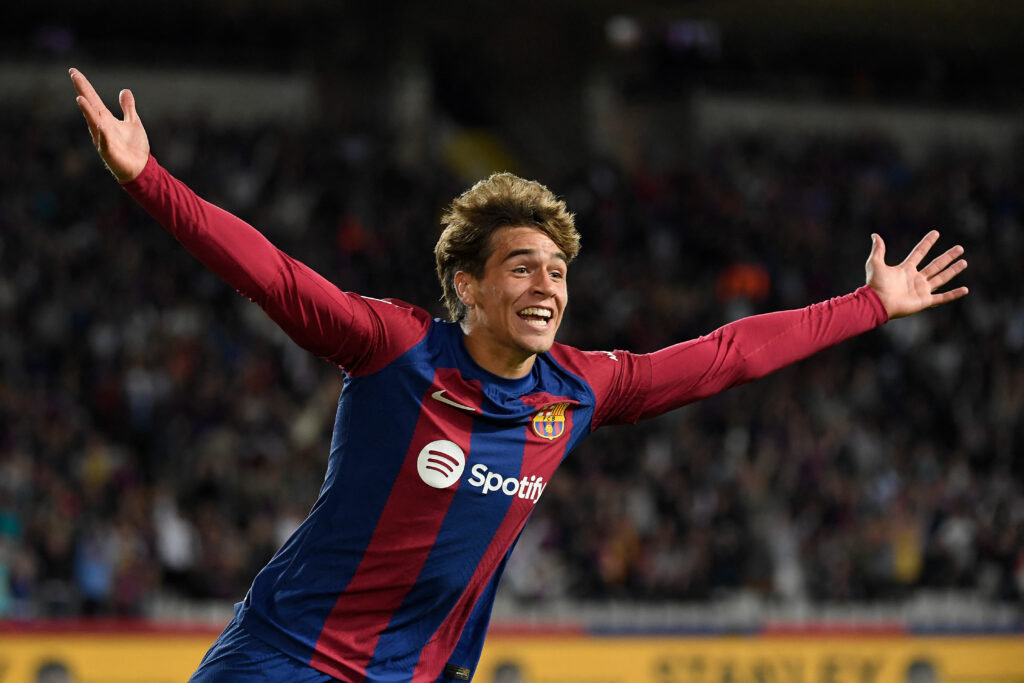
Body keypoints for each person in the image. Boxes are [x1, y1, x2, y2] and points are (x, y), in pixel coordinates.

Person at [69, 68, 968, 683]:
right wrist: (149, 179)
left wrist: (870, 305)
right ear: (468, 285)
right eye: (523, 267)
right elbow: (272, 275)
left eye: (559, 271)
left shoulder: (579, 390)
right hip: (285, 654)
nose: (548, 286)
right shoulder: (395, 348)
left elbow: (727, 357)